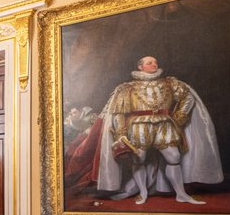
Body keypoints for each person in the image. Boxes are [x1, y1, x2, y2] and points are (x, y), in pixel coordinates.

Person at [94, 55, 222, 204]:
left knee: (174, 157)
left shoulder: (170, 83)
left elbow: (188, 98)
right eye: (149, 63)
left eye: (155, 62)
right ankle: (143, 192)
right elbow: (118, 113)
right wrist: (121, 134)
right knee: (139, 158)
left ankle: (181, 194)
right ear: (140, 67)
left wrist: (180, 117)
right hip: (138, 126)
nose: (154, 64)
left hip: (165, 124)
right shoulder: (126, 88)